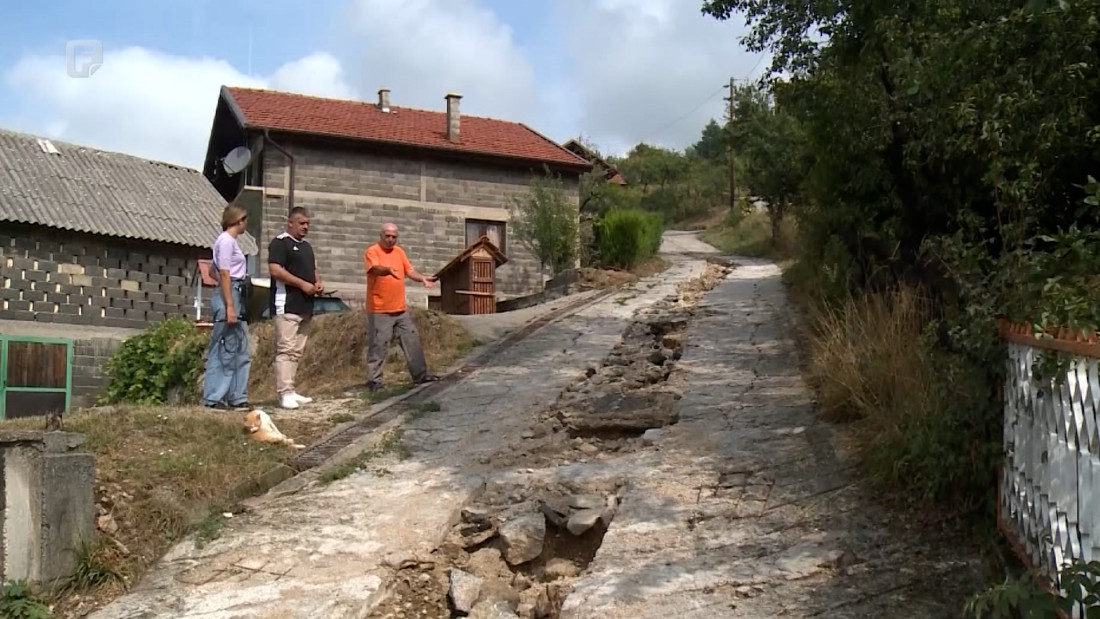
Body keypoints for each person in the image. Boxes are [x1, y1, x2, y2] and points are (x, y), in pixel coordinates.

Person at [363, 223, 440, 391]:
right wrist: (387, 270)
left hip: (400, 309)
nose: (391, 240)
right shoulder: (372, 251)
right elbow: (375, 268)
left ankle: (420, 375)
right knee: (379, 345)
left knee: (412, 341)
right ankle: (374, 381)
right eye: (387, 236)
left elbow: (409, 270)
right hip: (380, 309)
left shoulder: (399, 252)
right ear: (381, 235)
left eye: (394, 237)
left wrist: (422, 279)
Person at [268, 207, 323, 410]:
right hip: (287, 304)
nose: (305, 227)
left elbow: (313, 269)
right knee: (286, 349)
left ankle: (291, 389)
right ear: (290, 223)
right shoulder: (280, 243)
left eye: (307, 223)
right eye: (301, 223)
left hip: (306, 306)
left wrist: (317, 283)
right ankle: (284, 393)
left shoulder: (307, 247)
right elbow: (275, 270)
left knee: (297, 351)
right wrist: (302, 284)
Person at [202, 204, 252, 411]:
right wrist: (230, 305)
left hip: (235, 291)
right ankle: (214, 397)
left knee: (240, 347)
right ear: (239, 220)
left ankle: (237, 396)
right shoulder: (226, 241)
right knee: (225, 347)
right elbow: (222, 273)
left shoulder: (229, 242)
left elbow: (213, 270)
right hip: (229, 294)